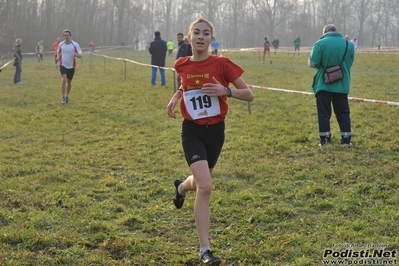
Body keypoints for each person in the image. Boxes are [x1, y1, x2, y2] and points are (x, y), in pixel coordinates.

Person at [167, 17, 254, 265]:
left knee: (199, 182)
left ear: (211, 39)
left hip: (216, 132)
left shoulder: (222, 64)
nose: (201, 37)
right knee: (206, 186)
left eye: (206, 33)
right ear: (189, 36)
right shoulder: (180, 64)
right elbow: (187, 84)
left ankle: (181, 188)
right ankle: (205, 250)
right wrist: (177, 95)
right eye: (197, 32)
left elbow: (249, 95)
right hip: (191, 130)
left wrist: (225, 91)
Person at [308, 24, 355, 147]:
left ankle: (325, 139)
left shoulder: (319, 44)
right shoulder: (348, 44)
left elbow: (313, 63)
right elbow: (350, 62)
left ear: (324, 32)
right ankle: (346, 139)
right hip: (342, 84)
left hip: (323, 84)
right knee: (343, 112)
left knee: (324, 113)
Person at [56, 29, 82, 104]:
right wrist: (58, 57)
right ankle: (63, 96)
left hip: (71, 65)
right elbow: (58, 51)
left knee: (69, 82)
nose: (66, 37)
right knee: (64, 79)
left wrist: (76, 55)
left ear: (70, 36)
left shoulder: (75, 44)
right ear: (63, 36)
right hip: (63, 64)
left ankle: (67, 95)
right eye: (65, 35)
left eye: (68, 35)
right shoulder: (61, 44)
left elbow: (80, 55)